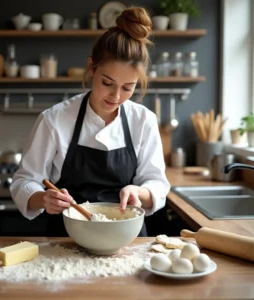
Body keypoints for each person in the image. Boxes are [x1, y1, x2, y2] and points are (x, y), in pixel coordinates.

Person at [10, 6, 170, 237]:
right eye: (107, 83)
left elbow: (157, 183)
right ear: (91, 68)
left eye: (128, 88)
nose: (116, 97)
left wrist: (139, 192)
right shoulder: (54, 119)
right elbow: (24, 182)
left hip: (126, 238)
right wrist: (44, 199)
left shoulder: (143, 120)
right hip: (67, 239)